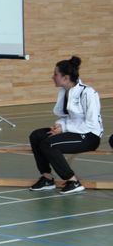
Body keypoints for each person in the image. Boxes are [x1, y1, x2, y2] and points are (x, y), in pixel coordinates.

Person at [29, 56, 102, 194]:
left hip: (89, 136)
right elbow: (66, 116)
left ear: (66, 78)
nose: (53, 77)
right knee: (36, 136)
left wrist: (64, 128)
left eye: (55, 74)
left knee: (48, 144)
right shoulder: (65, 91)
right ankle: (47, 178)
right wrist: (59, 125)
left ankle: (73, 181)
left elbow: (91, 124)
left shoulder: (88, 93)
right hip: (74, 131)